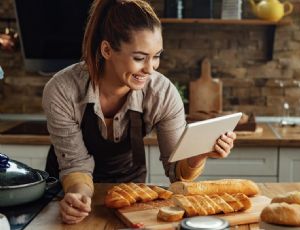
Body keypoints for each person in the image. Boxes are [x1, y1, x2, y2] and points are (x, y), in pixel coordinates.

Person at [42, 0, 236, 224]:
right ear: (107, 50)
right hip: (70, 192)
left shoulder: (162, 93)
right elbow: (76, 164)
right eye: (139, 58)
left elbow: (176, 171)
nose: (150, 68)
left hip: (131, 194)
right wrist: (77, 197)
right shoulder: (62, 90)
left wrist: (198, 155)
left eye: (156, 56)